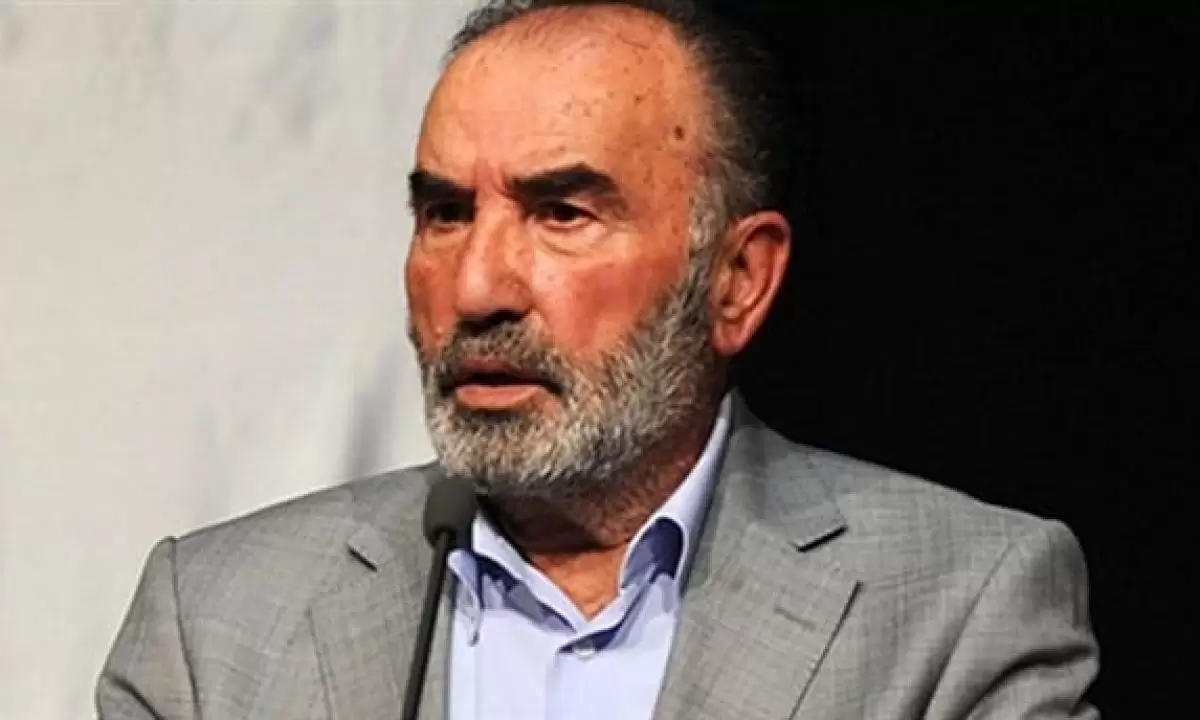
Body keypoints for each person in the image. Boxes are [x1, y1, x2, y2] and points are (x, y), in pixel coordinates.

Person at [96, 1, 1100, 718]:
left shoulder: (956, 607)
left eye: (562, 213)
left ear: (737, 280)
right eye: (445, 213)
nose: (477, 288)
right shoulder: (214, 624)